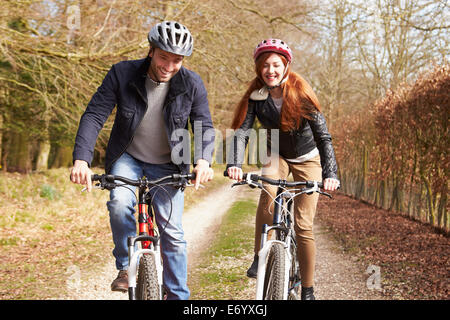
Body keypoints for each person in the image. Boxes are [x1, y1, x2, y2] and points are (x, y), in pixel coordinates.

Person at [70, 21, 215, 300]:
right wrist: (81, 160)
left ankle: (178, 297)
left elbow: (204, 125)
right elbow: (94, 115)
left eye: (177, 60)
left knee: (172, 233)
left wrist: (203, 161)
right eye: (164, 57)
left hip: (169, 164)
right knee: (120, 202)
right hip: (129, 157)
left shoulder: (192, 83)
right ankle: (125, 267)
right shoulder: (122, 73)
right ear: (151, 51)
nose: (169, 66)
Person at [226, 39, 339, 300]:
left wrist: (330, 174)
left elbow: (323, 137)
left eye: (276, 64)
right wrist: (234, 163)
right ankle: (258, 257)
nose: (270, 70)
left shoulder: (301, 93)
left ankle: (308, 288)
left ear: (285, 66)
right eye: (265, 65)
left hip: (307, 158)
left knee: (303, 225)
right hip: (276, 152)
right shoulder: (256, 95)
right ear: (258, 68)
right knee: (268, 189)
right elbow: (243, 132)